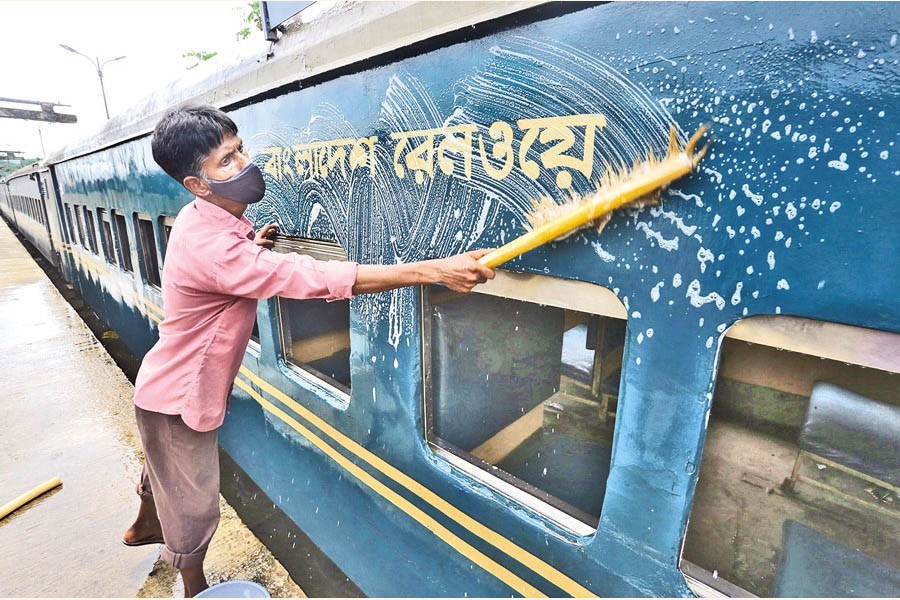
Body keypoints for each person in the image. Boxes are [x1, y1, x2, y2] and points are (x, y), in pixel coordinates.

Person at [121, 105, 495, 596]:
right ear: (197, 185)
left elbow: (227, 266)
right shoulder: (214, 248)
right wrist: (432, 271)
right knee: (193, 502)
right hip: (178, 400)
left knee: (162, 470)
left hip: (162, 383)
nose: (245, 164)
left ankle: (143, 525)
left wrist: (253, 244)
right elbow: (312, 278)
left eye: (240, 150)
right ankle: (193, 584)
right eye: (227, 162)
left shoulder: (205, 221)